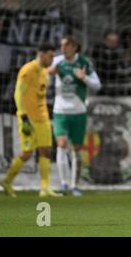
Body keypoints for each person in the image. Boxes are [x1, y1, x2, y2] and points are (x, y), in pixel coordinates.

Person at [0, 43, 61, 198]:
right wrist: (23, 115)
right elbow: (18, 93)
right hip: (28, 118)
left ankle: (45, 188)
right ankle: (7, 180)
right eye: (50, 56)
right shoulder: (28, 70)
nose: (52, 59)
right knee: (27, 153)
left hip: (43, 117)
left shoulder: (44, 71)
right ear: (41, 54)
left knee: (46, 150)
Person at [48, 36, 101, 196]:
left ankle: (74, 185)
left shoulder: (84, 62)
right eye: (61, 46)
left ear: (74, 47)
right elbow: (42, 75)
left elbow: (97, 85)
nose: (63, 49)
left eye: (66, 46)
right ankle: (63, 184)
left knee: (76, 149)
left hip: (78, 112)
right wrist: (49, 74)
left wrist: (83, 78)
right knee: (61, 144)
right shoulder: (56, 61)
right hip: (60, 112)